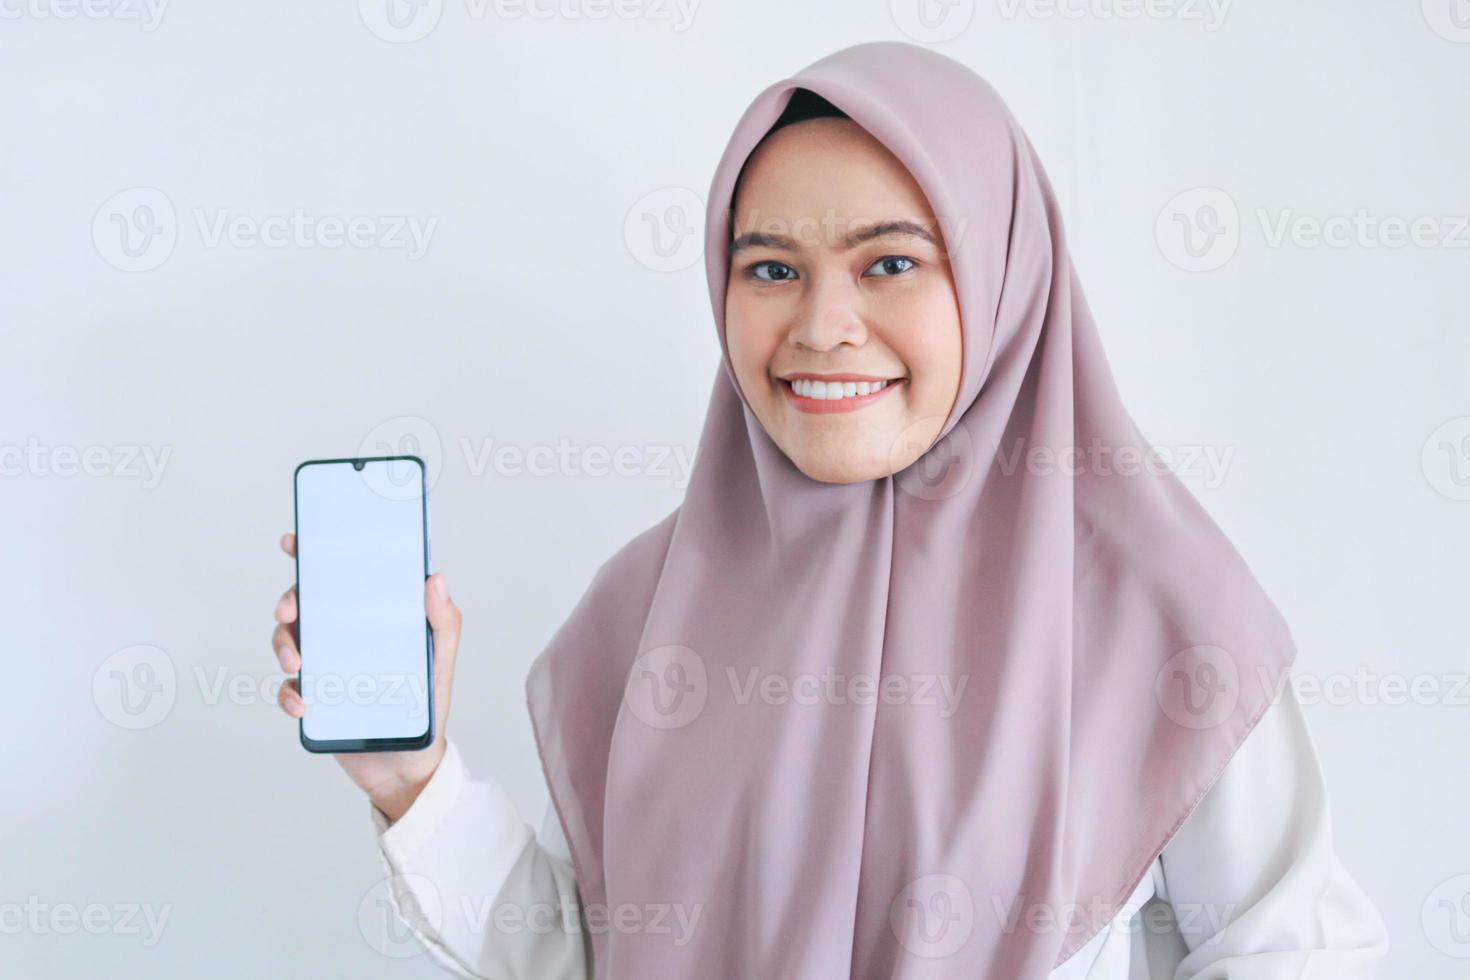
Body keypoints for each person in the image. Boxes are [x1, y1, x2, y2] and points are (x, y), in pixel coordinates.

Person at [271, 41, 1389, 979]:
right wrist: (413, 783)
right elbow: (593, 956)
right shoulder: (649, 610)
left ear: (1002, 280)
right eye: (769, 270)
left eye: (891, 262)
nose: (822, 325)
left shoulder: (1149, 607)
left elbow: (1299, 950)